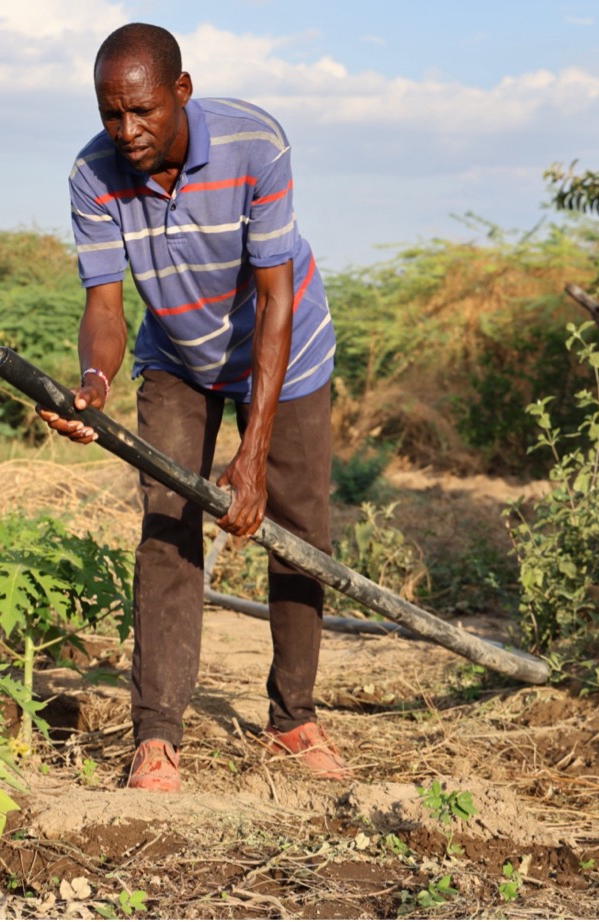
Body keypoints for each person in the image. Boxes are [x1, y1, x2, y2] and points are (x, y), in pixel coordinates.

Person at [39, 22, 351, 791]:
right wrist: (94, 384)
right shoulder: (93, 172)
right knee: (167, 525)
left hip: (285, 350)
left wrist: (251, 455)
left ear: (181, 91)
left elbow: (276, 301)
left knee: (299, 527)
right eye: (111, 114)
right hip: (177, 357)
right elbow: (106, 307)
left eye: (141, 111)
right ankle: (156, 735)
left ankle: (294, 718)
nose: (127, 131)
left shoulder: (255, 143)